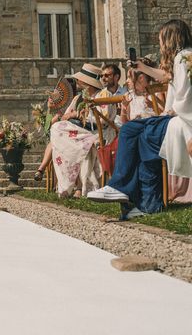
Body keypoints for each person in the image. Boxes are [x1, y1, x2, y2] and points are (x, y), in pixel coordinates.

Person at [88, 19, 192, 218]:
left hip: (182, 119)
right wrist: (140, 67)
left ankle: (118, 185)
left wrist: (172, 112)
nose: (160, 44)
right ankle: (148, 204)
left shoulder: (182, 58)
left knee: (129, 129)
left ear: (171, 38)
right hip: (178, 118)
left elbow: (185, 94)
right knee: (145, 144)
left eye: (162, 39)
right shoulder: (185, 57)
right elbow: (166, 76)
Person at [48, 63, 109, 197]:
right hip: (79, 132)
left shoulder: (103, 94)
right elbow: (66, 116)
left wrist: (79, 115)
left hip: (96, 131)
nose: (77, 81)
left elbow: (104, 120)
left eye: (80, 79)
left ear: (87, 81)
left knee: (65, 136)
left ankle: (78, 187)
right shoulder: (78, 98)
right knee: (57, 130)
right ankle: (71, 185)